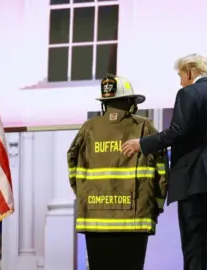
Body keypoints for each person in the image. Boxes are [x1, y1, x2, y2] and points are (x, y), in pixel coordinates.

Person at [122, 53, 207, 270]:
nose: (180, 81)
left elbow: (177, 131)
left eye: (181, 75)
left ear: (190, 71)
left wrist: (142, 144)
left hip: (196, 181)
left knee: (194, 246)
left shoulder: (188, 93)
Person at [67, 74, 169, 270]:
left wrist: (83, 194)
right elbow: (161, 169)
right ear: (130, 102)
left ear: (105, 103)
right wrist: (156, 204)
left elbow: (72, 159)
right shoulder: (145, 127)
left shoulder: (88, 128)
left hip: (95, 217)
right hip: (135, 218)